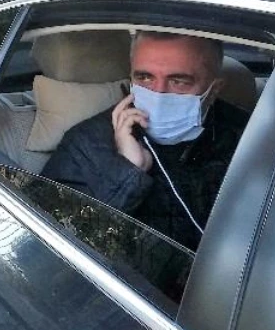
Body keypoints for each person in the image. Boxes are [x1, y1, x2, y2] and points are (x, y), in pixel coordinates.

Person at [41, 32, 249, 250]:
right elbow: (55, 248)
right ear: (131, 79)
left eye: (178, 81)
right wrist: (127, 171)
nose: (158, 93)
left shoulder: (251, 139)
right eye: (145, 78)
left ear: (214, 89)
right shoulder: (87, 145)